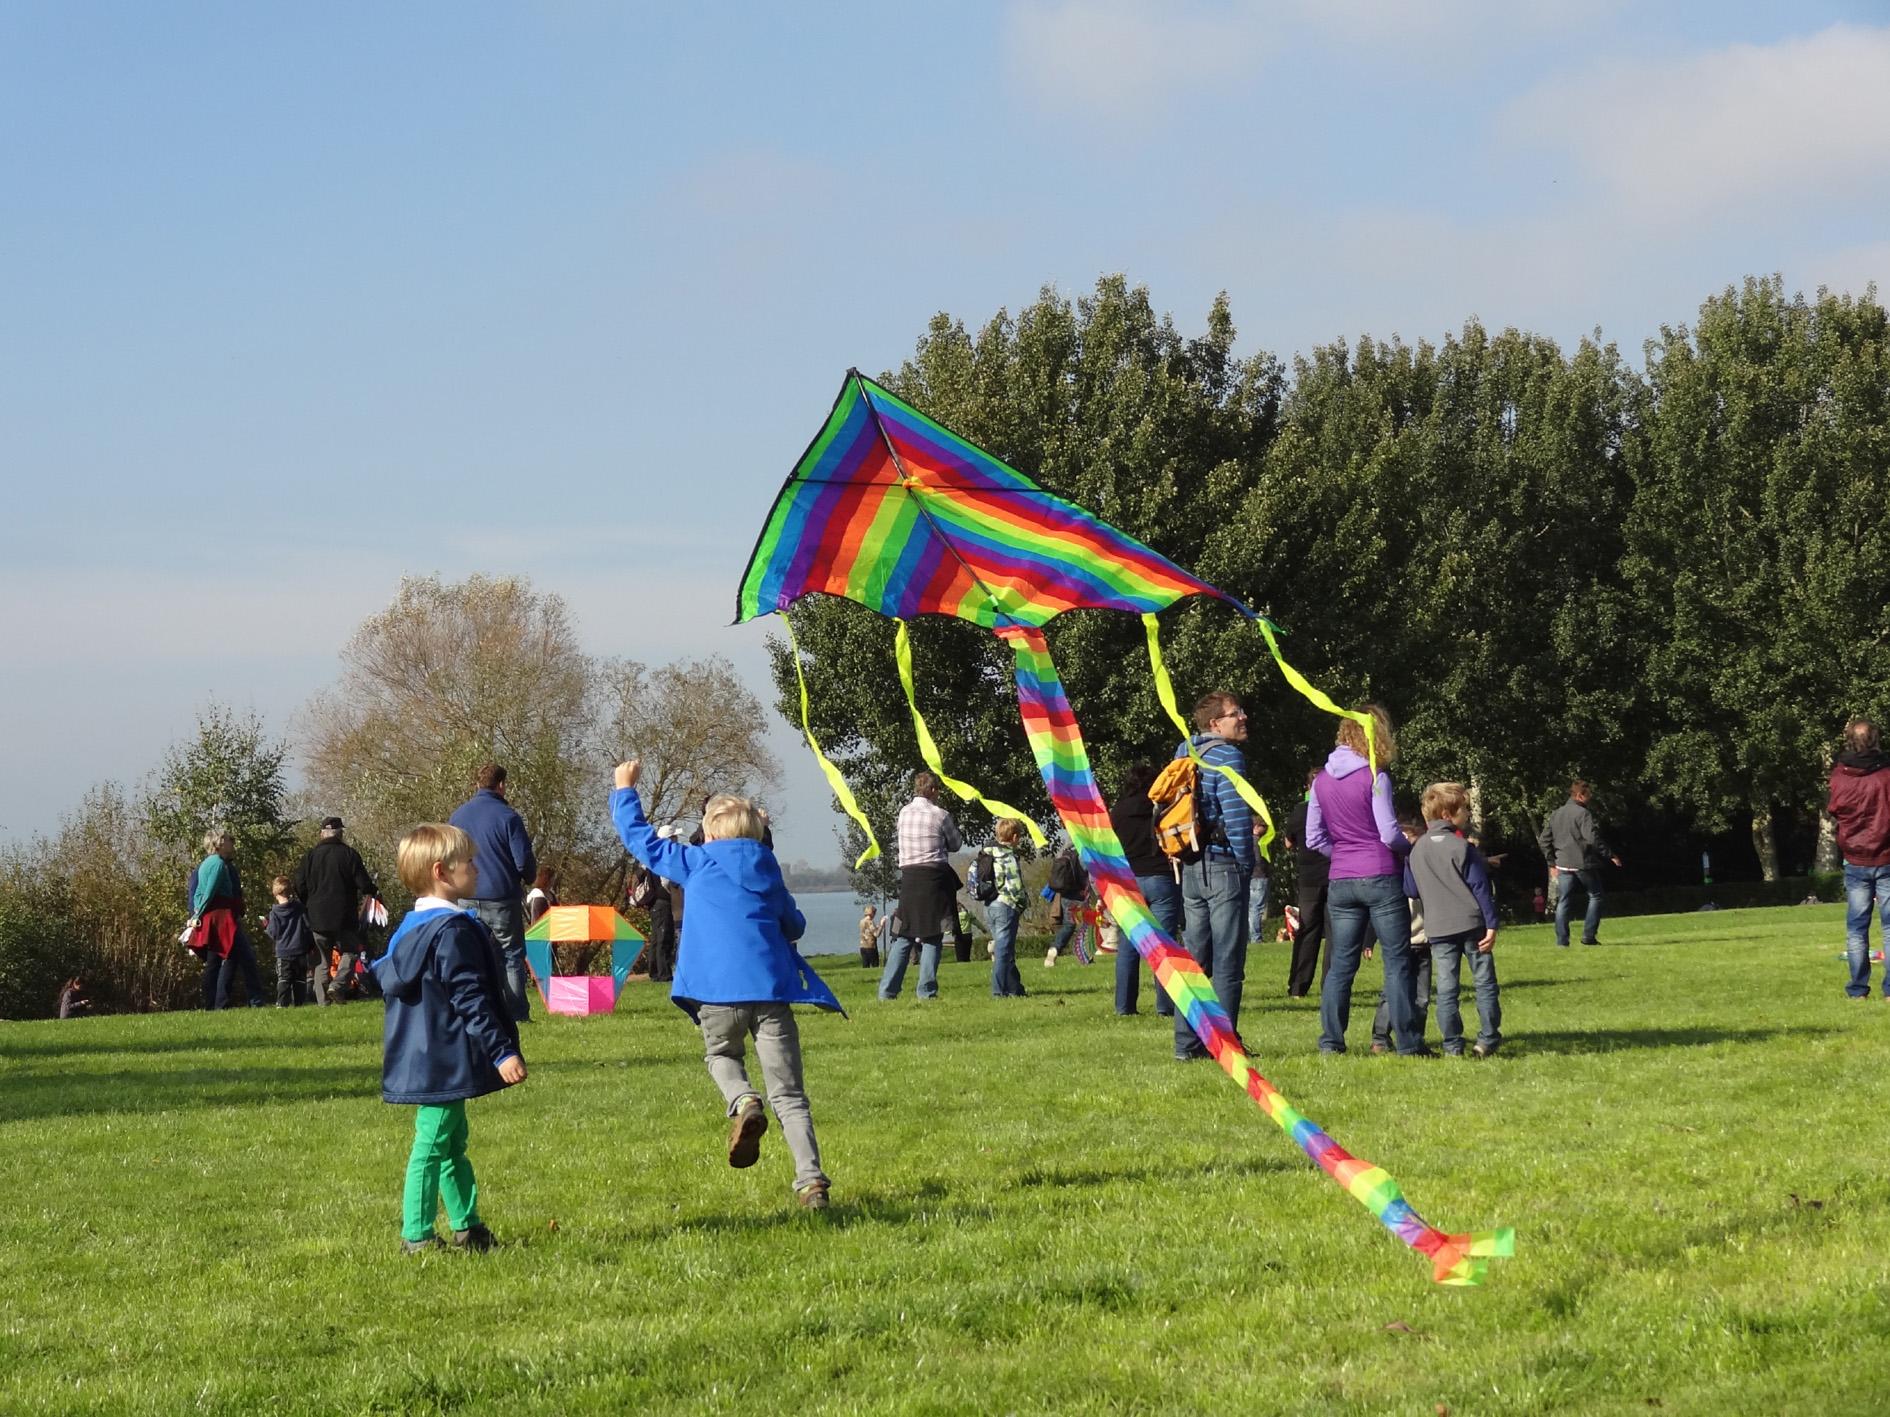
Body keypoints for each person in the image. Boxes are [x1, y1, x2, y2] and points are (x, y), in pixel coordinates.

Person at [610, 759, 840, 1209]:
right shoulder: (769, 869)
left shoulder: (694, 863)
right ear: (756, 833)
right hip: (771, 993)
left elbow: (640, 840)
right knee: (790, 1095)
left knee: (720, 1055)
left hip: (716, 992)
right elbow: (794, 924)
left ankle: (743, 1099)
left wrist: (624, 790)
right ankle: (811, 1182)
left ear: (709, 833)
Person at [373, 823, 526, 1255]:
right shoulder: (453, 931)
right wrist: (501, 1052)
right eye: (469, 862)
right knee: (432, 1144)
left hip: (423, 1056)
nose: (477, 868)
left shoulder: (410, 926)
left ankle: (468, 1226)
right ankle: (417, 1235)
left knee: (451, 1142)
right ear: (442, 871)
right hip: (442, 1057)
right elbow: (469, 998)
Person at [1309, 705, 1426, 1056]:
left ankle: (1331, 1042)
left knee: (1341, 965)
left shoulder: (1321, 781)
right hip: (1379, 873)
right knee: (1397, 960)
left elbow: (1314, 837)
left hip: (1341, 878)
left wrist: (1344, 854)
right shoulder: (1376, 776)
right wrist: (1408, 850)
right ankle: (1408, 1043)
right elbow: (1389, 832)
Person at [1173, 691, 1255, 1061]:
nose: (1243, 718)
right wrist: (1246, 862)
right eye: (1235, 714)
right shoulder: (1227, 756)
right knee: (1227, 962)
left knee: (1194, 961)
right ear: (1214, 724)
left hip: (1190, 864)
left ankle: (1186, 1044)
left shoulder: (1183, 750)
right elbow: (1237, 816)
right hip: (1222, 864)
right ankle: (1222, 1044)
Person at [1402, 783, 1502, 1057]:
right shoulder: (1462, 847)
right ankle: (1488, 1038)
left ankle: (1452, 1045)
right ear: (1448, 814)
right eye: (1464, 810)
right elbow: (1480, 888)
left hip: (1438, 927)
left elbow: (1410, 890)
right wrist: (1492, 923)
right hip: (1472, 924)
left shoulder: (1416, 851)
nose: (1468, 815)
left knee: (1447, 988)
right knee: (1484, 982)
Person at [449, 764, 539, 1021]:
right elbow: (522, 861)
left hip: (466, 895)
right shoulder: (508, 817)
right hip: (500, 896)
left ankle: (474, 1010)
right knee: (511, 955)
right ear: (501, 785)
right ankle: (517, 1013)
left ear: (477, 784)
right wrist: (529, 877)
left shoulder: (458, 817)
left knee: (473, 955)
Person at [881, 772, 961, 1001]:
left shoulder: (903, 812)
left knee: (903, 934)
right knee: (933, 934)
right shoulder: (941, 815)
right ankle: (926, 991)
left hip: (908, 878)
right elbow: (955, 844)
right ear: (934, 790)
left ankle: (887, 991)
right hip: (934, 879)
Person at [1107, 763, 1176, 1017]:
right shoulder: (1161, 808)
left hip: (1127, 880)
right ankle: (1166, 1006)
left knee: (1128, 946)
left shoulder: (1117, 812)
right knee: (1163, 945)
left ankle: (1124, 1006)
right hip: (1159, 876)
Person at [1828, 717, 1890, 999]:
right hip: (1886, 856)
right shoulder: (1886, 774)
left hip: (1855, 857)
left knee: (1856, 927)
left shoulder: (1839, 776)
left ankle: (1857, 990)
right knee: (1889, 927)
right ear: (1876, 741)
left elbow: (1835, 810)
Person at [292, 817, 382, 1006]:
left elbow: (299, 884)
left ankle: (323, 1003)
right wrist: (374, 892)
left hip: (317, 917)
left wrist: (309, 903)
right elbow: (363, 884)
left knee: (321, 960)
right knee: (350, 952)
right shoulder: (349, 854)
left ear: (321, 834)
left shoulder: (310, 856)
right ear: (341, 833)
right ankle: (338, 985)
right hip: (344, 916)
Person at [1371, 817, 1432, 1054]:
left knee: (1421, 999)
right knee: (1391, 994)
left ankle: (1415, 1039)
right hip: (1399, 943)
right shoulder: (1389, 881)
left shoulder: (1423, 875)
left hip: (1424, 942)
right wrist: (1369, 940)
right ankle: (1380, 1038)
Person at [1537, 780, 1622, 948]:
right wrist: (1610, 855)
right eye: (1588, 794)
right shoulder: (1583, 814)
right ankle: (1588, 936)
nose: (1590, 797)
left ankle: (1562, 941)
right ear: (1579, 795)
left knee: (1564, 901)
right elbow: (1591, 838)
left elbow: (1543, 840)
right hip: (1582, 863)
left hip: (1562, 864)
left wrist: (1551, 862)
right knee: (1596, 895)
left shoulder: (1556, 813)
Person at [189, 828, 266, 1009]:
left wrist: (197, 912)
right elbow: (208, 892)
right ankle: (234, 1002)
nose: (232, 843)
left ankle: (216, 1003)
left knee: (218, 960)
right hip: (221, 917)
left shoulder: (207, 863)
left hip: (215, 916)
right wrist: (197, 915)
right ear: (220, 842)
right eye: (229, 840)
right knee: (238, 957)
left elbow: (199, 893)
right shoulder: (217, 864)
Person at [1283, 768, 1330, 998]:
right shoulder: (1335, 807)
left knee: (1307, 931)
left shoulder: (1300, 810)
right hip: (1334, 873)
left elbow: (1288, 843)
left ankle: (1297, 987)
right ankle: (1332, 987)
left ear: (1307, 787)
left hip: (1309, 877)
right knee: (1336, 933)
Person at [985, 818, 1031, 998]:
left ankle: (1015, 989)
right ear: (1013, 837)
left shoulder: (987, 853)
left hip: (990, 904)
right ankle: (999, 990)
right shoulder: (1007, 856)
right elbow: (1015, 885)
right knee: (1003, 951)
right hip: (1006, 904)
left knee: (1005, 948)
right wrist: (1022, 903)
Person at [264, 875, 317, 1007]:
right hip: (300, 949)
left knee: (284, 979)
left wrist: (266, 925)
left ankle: (282, 1004)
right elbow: (308, 926)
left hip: (283, 952)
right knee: (300, 980)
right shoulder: (299, 908)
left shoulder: (274, 913)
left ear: (275, 893)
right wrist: (310, 945)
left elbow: (274, 933)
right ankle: (299, 1003)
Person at [1043, 844, 1089, 967]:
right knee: (1088, 924)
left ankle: (1054, 948)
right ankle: (1085, 954)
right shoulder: (1084, 850)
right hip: (1079, 893)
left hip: (1065, 892)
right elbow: (1087, 873)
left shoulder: (1066, 849)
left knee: (1069, 924)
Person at [857, 904, 881, 969]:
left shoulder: (861, 921)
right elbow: (876, 934)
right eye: (874, 913)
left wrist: (876, 927)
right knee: (875, 964)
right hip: (870, 946)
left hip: (862, 946)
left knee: (865, 965)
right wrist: (881, 925)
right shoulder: (869, 922)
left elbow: (867, 931)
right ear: (872, 913)